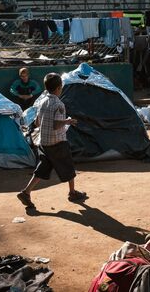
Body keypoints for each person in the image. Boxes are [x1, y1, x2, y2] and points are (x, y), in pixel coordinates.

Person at [17, 73, 87, 209]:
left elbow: (37, 122)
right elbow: (56, 125)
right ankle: (72, 192)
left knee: (43, 167)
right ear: (59, 88)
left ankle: (26, 192)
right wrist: (67, 121)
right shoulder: (59, 105)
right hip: (57, 142)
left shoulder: (42, 102)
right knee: (68, 165)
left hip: (44, 142)